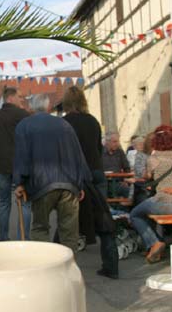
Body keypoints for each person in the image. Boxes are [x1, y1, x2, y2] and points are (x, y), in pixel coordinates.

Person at [13, 94, 89, 253]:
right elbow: (77, 153)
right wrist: (80, 183)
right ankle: (68, 265)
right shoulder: (64, 125)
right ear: (48, 107)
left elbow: (21, 156)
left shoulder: (24, 126)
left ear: (31, 108)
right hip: (69, 183)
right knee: (69, 232)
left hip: (41, 184)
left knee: (40, 228)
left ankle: (44, 263)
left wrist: (19, 182)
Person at [61, 87, 119, 277]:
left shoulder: (64, 124)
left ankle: (58, 266)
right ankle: (111, 265)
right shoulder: (93, 121)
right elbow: (97, 148)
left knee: (68, 220)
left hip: (75, 175)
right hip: (96, 171)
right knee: (102, 218)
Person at [129, 125, 172, 263]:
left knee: (135, 214)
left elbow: (147, 176)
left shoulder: (154, 158)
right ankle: (158, 245)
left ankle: (154, 242)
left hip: (165, 201)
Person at [0, 87, 31, 240]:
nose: (21, 99)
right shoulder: (24, 116)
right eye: (19, 96)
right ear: (10, 98)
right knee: (24, 203)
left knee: (4, 202)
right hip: (21, 166)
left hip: (2, 166)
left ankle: (3, 237)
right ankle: (23, 238)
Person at [102, 131, 130, 198]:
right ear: (107, 142)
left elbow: (127, 168)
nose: (117, 144)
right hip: (104, 182)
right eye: (114, 142)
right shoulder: (100, 152)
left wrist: (126, 180)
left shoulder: (120, 152)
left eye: (118, 141)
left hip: (118, 182)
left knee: (130, 190)